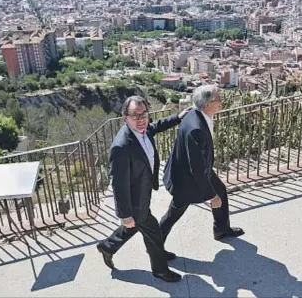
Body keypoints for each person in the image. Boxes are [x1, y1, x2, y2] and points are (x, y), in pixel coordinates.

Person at [96, 95, 190, 283]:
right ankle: (160, 269)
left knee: (135, 227)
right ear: (125, 118)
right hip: (134, 198)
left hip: (143, 191)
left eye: (143, 114)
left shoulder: (144, 130)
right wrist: (125, 214)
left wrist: (177, 117)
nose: (140, 119)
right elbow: (119, 184)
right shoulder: (121, 147)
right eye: (134, 115)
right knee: (152, 230)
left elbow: (155, 127)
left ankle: (108, 246)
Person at [160, 85, 244, 254]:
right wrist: (210, 196)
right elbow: (196, 169)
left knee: (220, 190)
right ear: (206, 104)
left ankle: (221, 229)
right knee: (173, 214)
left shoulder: (195, 113)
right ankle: (155, 246)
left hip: (196, 169)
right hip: (185, 179)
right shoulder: (196, 128)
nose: (221, 102)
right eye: (217, 99)